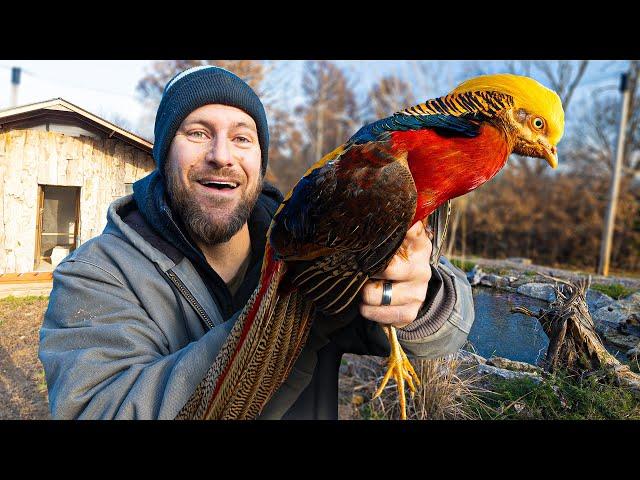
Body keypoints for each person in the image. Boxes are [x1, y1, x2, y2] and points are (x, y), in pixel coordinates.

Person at [39, 65, 475, 420]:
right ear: (162, 156)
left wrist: (422, 292)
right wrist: (292, 305)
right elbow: (98, 409)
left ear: (260, 162)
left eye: (243, 138)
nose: (222, 155)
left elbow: (440, 335)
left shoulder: (316, 230)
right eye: (197, 133)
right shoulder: (94, 275)